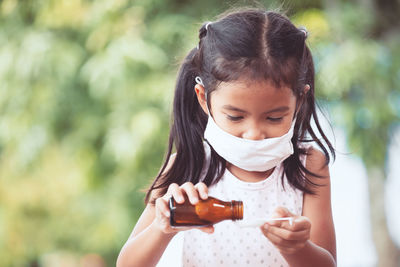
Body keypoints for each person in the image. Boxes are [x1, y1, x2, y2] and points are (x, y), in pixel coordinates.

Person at [117, 7, 336, 267]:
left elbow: (328, 263)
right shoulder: (187, 167)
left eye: (274, 118)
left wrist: (297, 248)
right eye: (235, 117)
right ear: (203, 99)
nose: (254, 135)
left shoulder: (308, 166)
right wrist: (162, 228)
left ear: (299, 101)